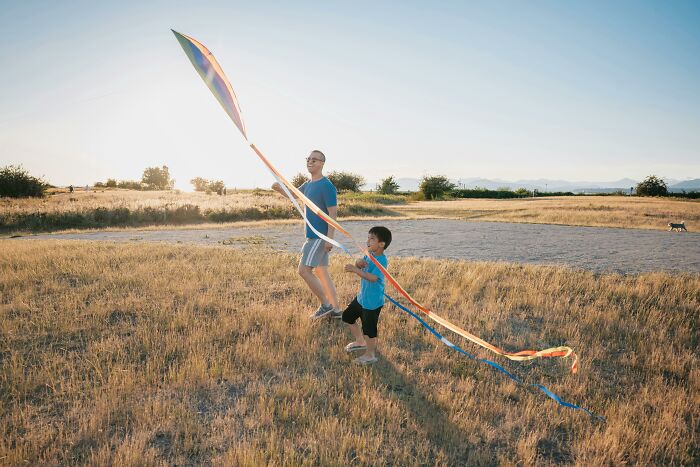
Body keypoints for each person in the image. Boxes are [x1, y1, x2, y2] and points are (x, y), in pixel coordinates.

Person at [272, 149, 340, 319]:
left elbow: (333, 215)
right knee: (322, 272)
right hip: (312, 236)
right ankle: (337, 311)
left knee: (303, 270)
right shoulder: (307, 184)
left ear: (322, 164)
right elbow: (293, 195)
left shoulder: (326, 185)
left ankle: (326, 305)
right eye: (308, 159)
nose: (310, 162)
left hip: (319, 237)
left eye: (315, 160)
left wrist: (329, 239)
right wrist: (278, 188)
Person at [342, 226, 392, 365]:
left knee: (369, 330)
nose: (368, 241)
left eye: (372, 239)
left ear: (381, 244)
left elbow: (373, 278)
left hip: (372, 302)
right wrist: (358, 263)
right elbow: (360, 265)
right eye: (368, 238)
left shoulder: (382, 260)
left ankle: (370, 355)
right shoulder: (369, 254)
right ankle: (360, 341)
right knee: (347, 317)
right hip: (362, 298)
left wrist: (355, 270)